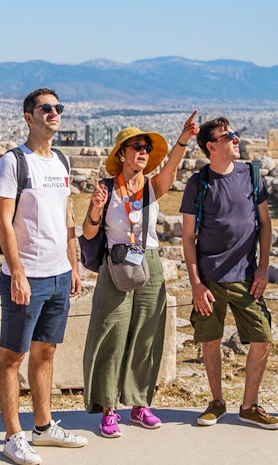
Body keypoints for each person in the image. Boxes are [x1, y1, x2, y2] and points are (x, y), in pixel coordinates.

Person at [83, 112, 199, 437]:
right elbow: (89, 234)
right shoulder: (107, 188)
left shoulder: (151, 186)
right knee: (111, 333)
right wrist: (94, 209)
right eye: (136, 146)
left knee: (148, 333)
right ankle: (108, 409)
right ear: (122, 154)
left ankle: (138, 403)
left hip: (149, 260)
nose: (143, 151)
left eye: (146, 146)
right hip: (116, 263)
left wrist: (184, 138)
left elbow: (172, 168)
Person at [0, 88, 88, 465]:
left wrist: (74, 266)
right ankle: (13, 436)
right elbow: (3, 220)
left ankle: (43, 427)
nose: (54, 113)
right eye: (45, 108)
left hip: (59, 275)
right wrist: (16, 271)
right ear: (28, 116)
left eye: (58, 108)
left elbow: (66, 218)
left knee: (46, 351)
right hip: (26, 276)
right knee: (12, 356)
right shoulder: (14, 162)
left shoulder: (61, 160)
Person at [180, 117, 277, 429]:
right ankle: (217, 401)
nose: (236, 139)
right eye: (229, 136)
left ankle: (249, 405)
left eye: (235, 134)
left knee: (262, 338)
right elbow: (187, 236)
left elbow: (265, 224)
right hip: (208, 279)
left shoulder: (251, 174)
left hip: (248, 277)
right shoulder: (198, 182)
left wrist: (263, 268)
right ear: (212, 146)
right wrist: (195, 283)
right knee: (211, 340)